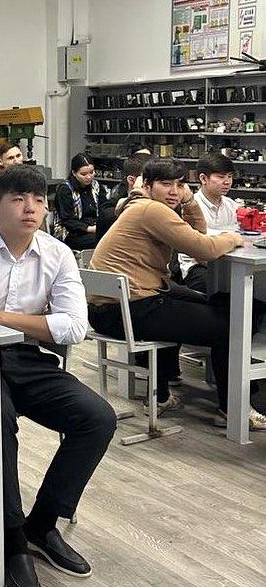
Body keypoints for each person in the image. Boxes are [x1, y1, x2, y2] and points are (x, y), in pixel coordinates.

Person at [0, 165, 116, 587]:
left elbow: (75, 328)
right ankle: (12, 536)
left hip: (24, 358)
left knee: (97, 418)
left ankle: (43, 523)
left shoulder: (58, 254)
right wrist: (34, 322)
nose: (30, 208)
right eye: (18, 199)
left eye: (38, 200)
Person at [88, 158, 266, 430]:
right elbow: (204, 249)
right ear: (148, 186)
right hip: (130, 308)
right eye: (165, 184)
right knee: (232, 323)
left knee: (218, 304)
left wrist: (189, 201)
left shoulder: (137, 204)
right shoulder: (152, 210)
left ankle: (161, 396)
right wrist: (234, 238)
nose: (174, 191)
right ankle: (234, 409)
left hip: (115, 307)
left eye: (180, 184)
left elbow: (197, 234)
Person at [178, 152, 241, 292]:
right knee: (227, 289)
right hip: (197, 267)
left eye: (230, 176)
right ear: (203, 178)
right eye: (221, 177)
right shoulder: (190, 206)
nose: (227, 182)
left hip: (228, 264)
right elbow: (197, 245)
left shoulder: (231, 205)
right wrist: (229, 236)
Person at [53, 153, 108, 250]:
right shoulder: (65, 189)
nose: (89, 177)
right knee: (102, 241)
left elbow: (104, 209)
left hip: (94, 228)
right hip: (70, 232)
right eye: (83, 174)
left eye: (91, 172)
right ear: (74, 173)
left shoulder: (97, 186)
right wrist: (89, 229)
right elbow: (67, 220)